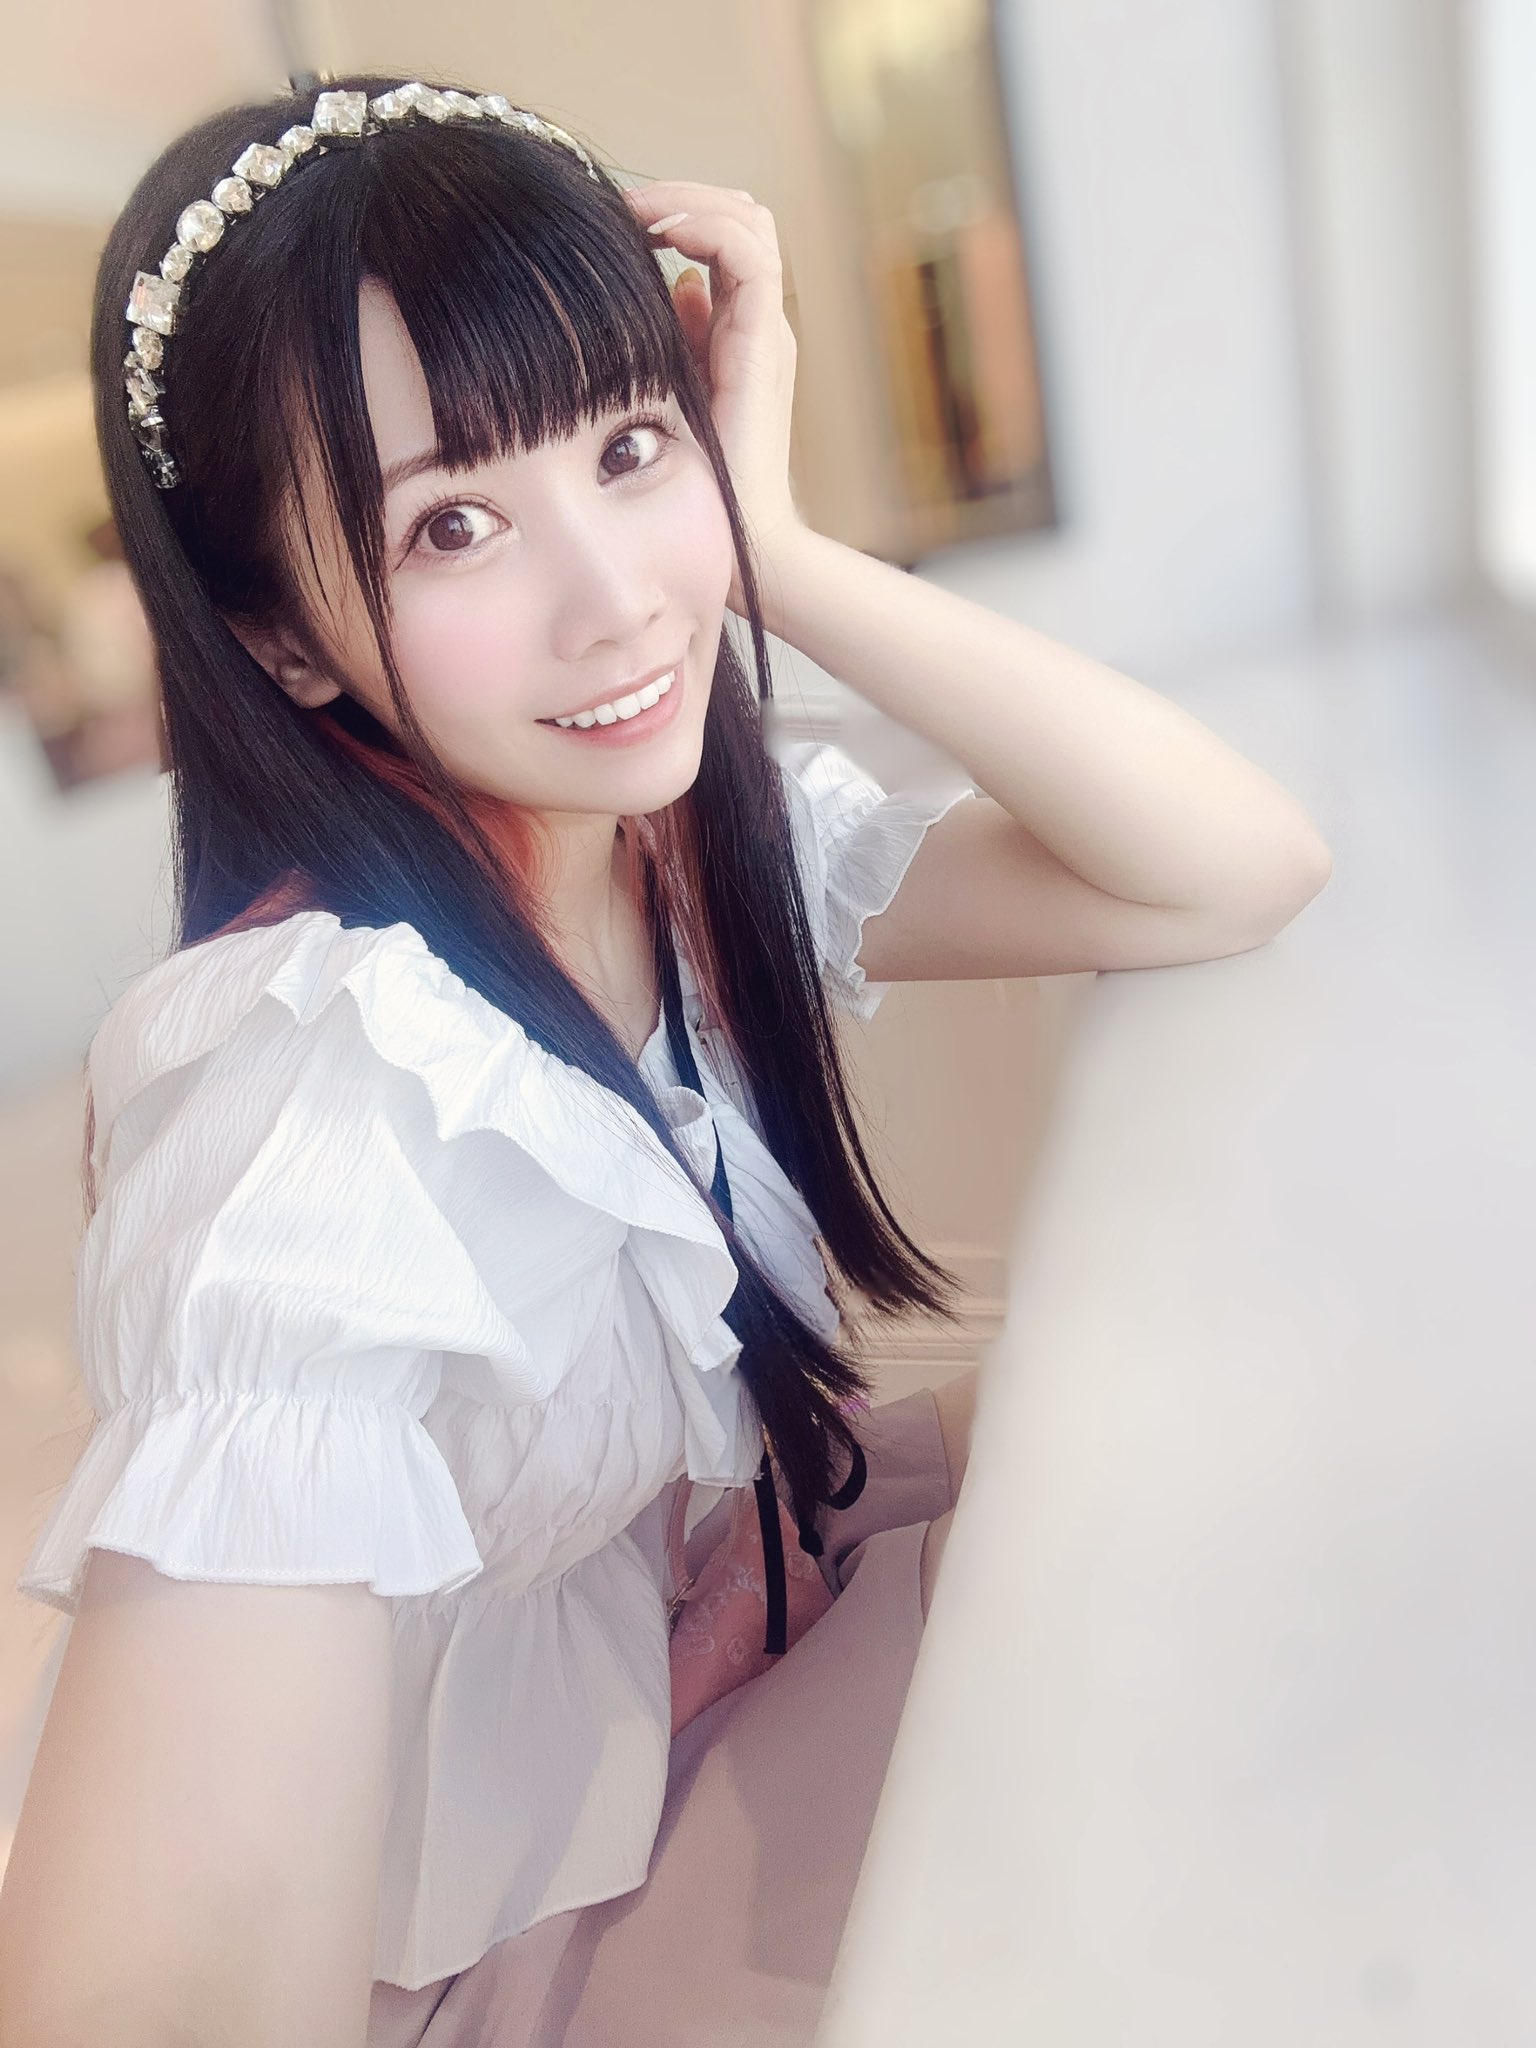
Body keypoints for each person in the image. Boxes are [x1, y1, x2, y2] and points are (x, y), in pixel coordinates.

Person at [0, 69, 1331, 2048]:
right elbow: (163, 2003)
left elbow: (1230, 865)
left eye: (631, 444)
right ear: (282, 642)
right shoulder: (321, 1101)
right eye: (453, 522)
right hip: (503, 1937)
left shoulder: (682, 851)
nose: (616, 595)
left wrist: (772, 545)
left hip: (688, 1679)